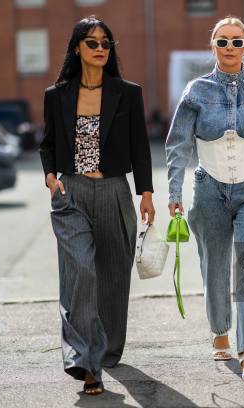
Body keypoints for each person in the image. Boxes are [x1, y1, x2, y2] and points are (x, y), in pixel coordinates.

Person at [165, 16, 244, 387]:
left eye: (238, 41)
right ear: (213, 46)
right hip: (208, 190)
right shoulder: (195, 91)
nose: (231, 48)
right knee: (214, 267)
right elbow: (176, 147)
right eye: (223, 42)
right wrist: (173, 193)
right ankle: (219, 328)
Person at [39, 15, 155, 396]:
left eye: (106, 42)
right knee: (81, 274)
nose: (101, 48)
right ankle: (85, 362)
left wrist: (147, 194)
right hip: (70, 193)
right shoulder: (57, 95)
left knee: (112, 279)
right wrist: (50, 176)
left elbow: (140, 146)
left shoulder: (127, 93)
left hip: (114, 192)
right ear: (77, 48)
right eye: (92, 43)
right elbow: (48, 143)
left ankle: (106, 349)